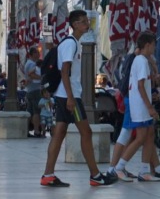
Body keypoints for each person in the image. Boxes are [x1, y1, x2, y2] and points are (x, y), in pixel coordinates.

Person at [38, 10, 117, 188]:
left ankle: (48, 175)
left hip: (63, 95)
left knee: (59, 134)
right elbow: (64, 72)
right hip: (69, 96)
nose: (86, 24)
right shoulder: (71, 44)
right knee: (86, 133)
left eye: (86, 21)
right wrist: (71, 98)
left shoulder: (72, 43)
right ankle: (95, 176)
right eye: (82, 22)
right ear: (74, 24)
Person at [113, 32, 160, 182]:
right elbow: (140, 86)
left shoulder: (141, 60)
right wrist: (150, 107)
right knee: (140, 137)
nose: (155, 48)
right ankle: (119, 167)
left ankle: (144, 170)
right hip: (140, 105)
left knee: (149, 134)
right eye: (154, 45)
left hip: (140, 104)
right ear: (148, 45)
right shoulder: (141, 61)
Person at [23, 46, 44, 137]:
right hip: (35, 89)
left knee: (30, 112)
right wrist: (41, 78)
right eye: (37, 52)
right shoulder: (32, 64)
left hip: (30, 90)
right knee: (36, 112)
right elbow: (31, 75)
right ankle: (36, 131)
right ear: (32, 54)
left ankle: (26, 130)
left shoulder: (28, 63)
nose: (38, 54)